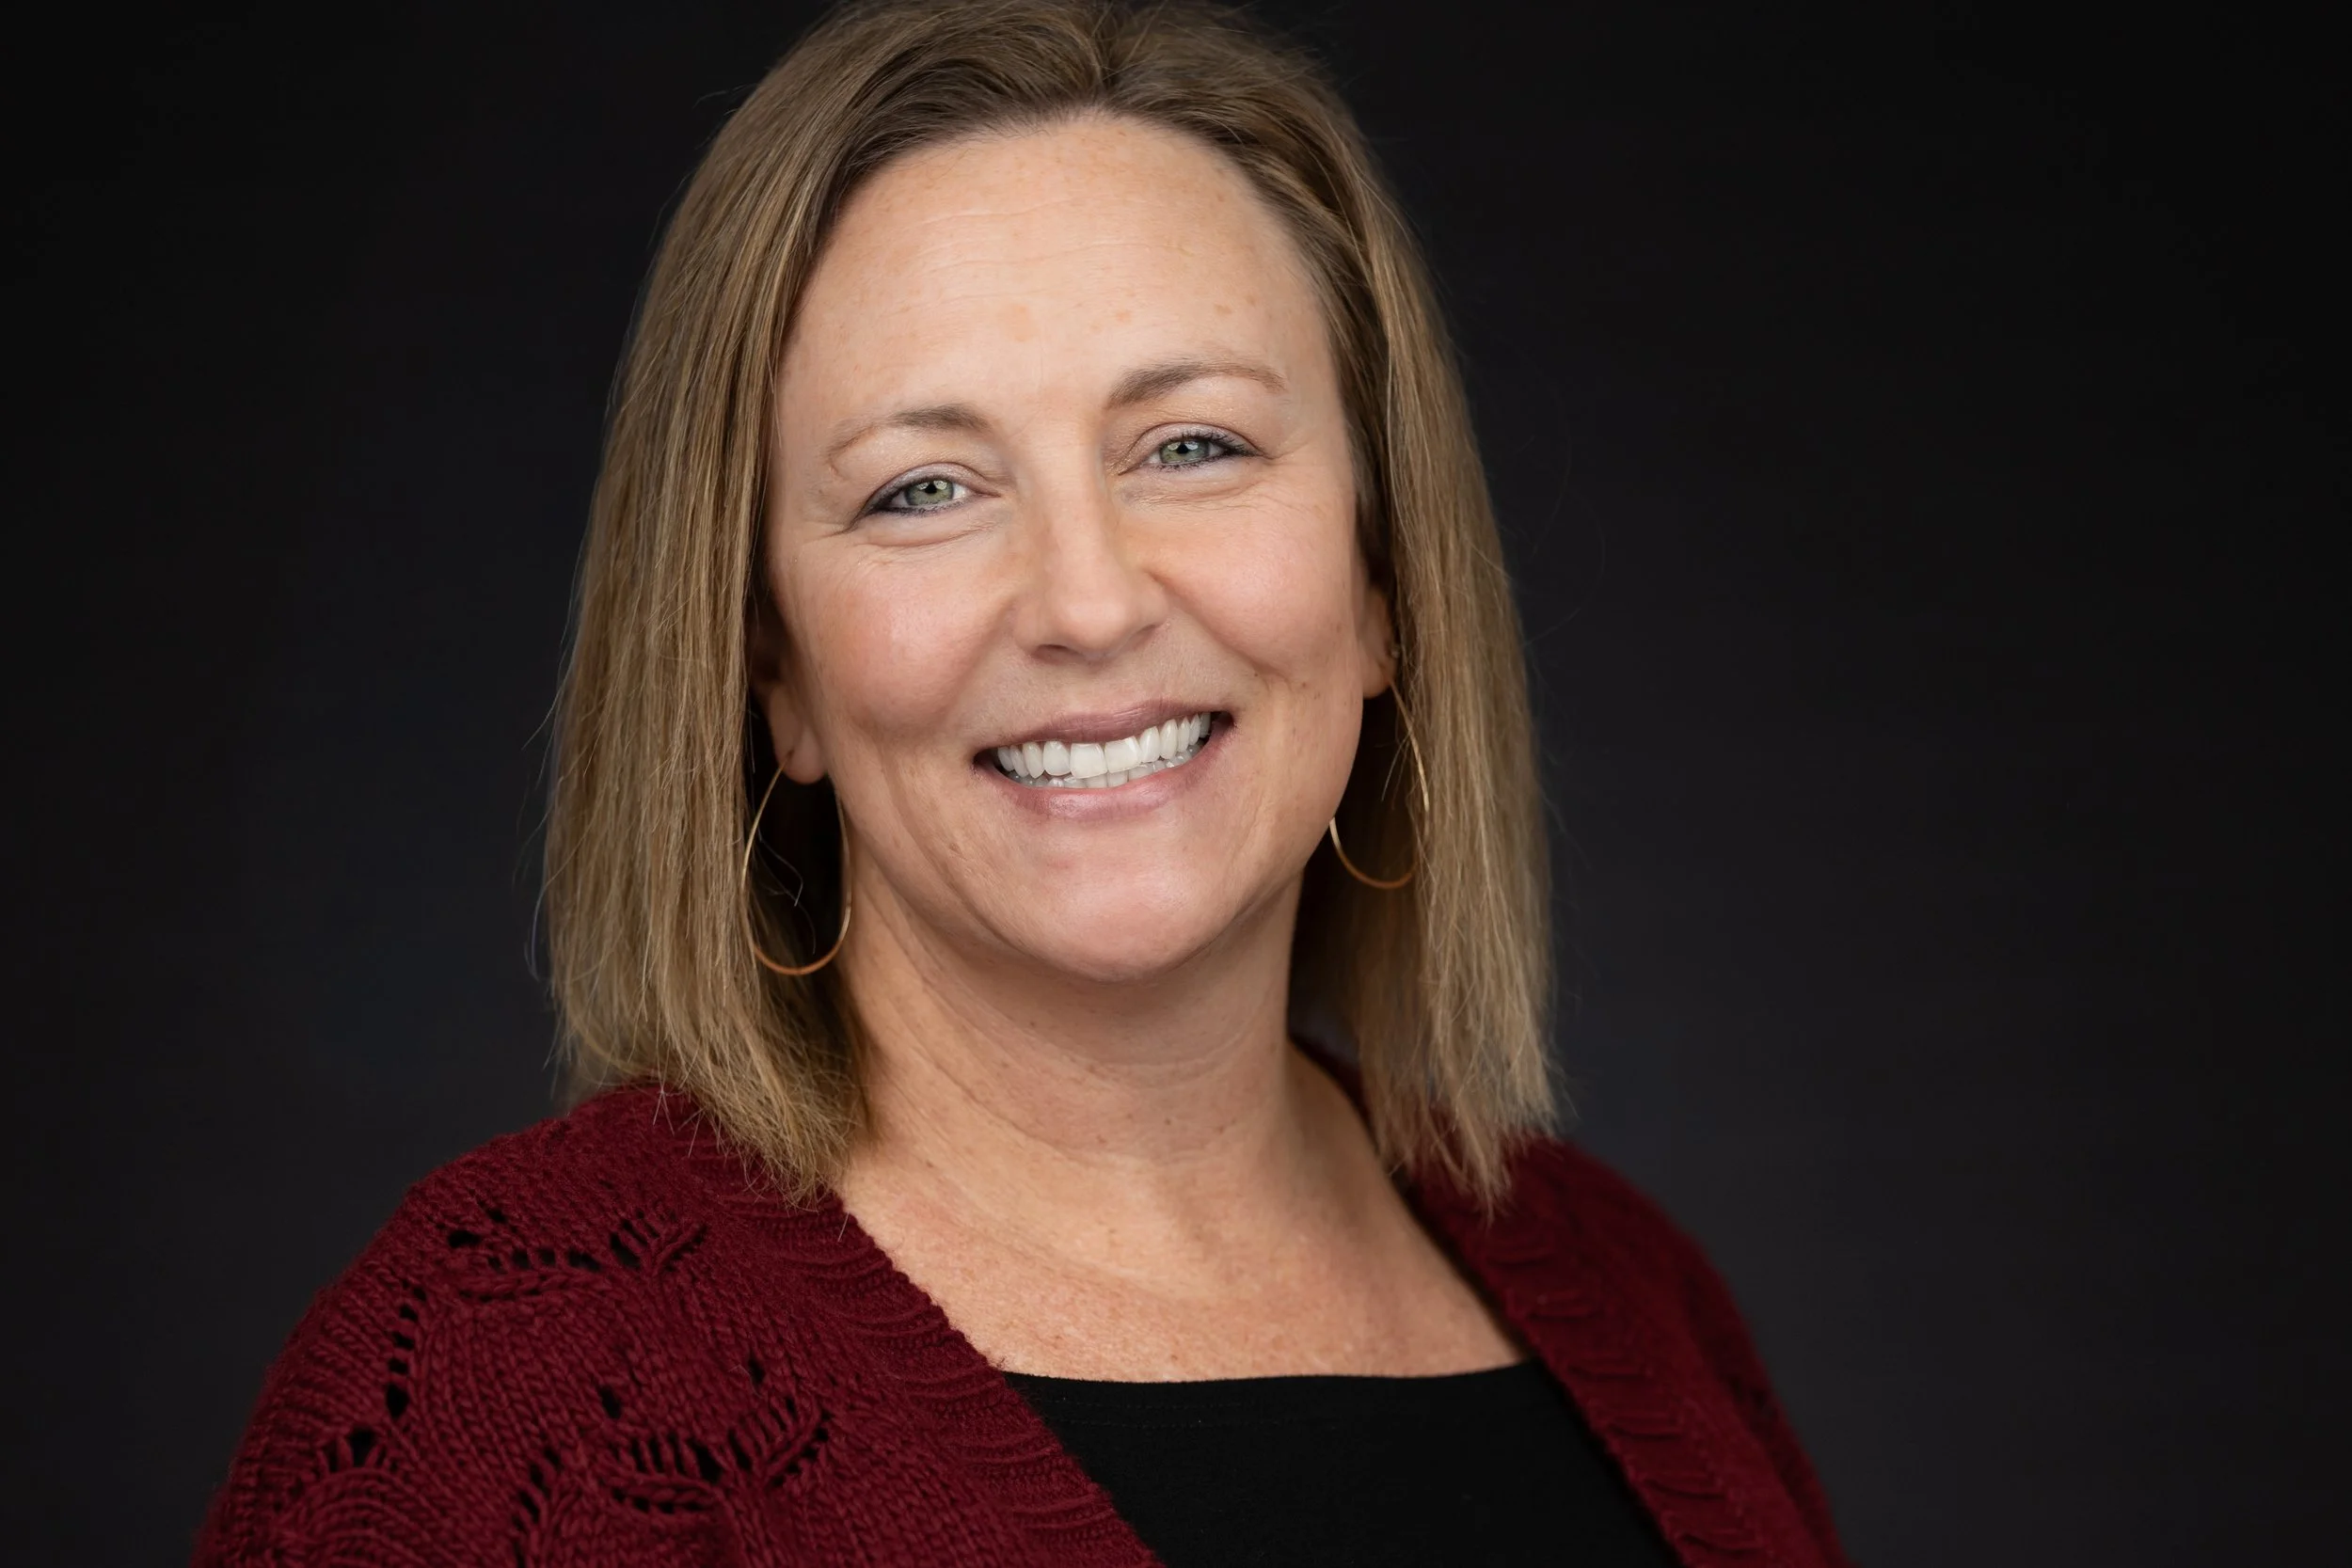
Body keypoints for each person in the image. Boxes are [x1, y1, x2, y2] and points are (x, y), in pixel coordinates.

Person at [198, 2, 1850, 1563]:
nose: (1087, 599)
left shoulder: (1643, 1304)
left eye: (1192, 446)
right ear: (773, 671)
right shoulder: (507, 1389)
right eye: (926, 487)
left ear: (1380, 583)